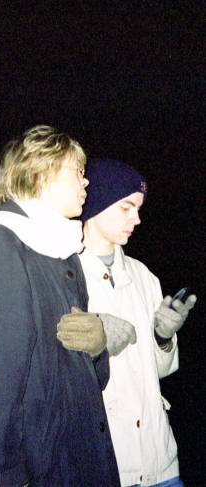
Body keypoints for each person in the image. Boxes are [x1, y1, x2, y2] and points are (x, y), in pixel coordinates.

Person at [0, 126, 121, 486]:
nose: (86, 181)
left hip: (81, 456)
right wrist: (6, 475)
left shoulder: (65, 250)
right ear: (40, 172)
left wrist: (98, 348)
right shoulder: (2, 240)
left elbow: (92, 380)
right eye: (77, 171)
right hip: (41, 468)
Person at [77, 158, 197, 487]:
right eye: (126, 208)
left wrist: (163, 336)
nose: (137, 219)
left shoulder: (143, 275)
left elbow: (157, 370)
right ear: (97, 204)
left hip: (161, 462)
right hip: (105, 465)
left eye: (139, 208)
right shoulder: (65, 272)